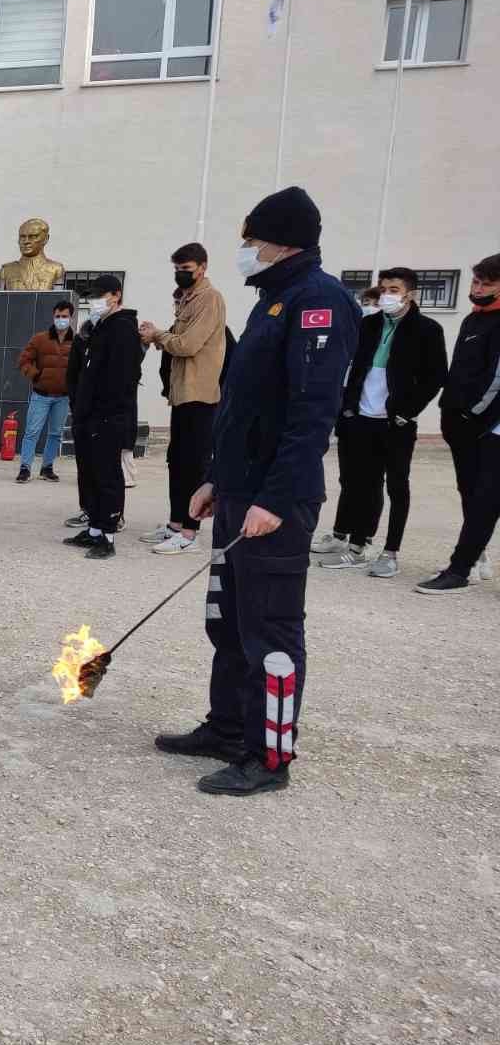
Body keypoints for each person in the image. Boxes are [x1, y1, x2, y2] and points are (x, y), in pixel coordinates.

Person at [155, 186, 357, 797]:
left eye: (251, 241)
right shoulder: (273, 300)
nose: (244, 251)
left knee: (269, 632)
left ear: (283, 240)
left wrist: (274, 497)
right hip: (240, 492)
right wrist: (218, 477)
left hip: (275, 501)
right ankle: (227, 729)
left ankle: (269, 758)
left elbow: (311, 415)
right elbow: (244, 407)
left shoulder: (318, 301)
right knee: (229, 623)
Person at [314, 268, 447, 578]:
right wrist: (346, 409)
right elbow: (354, 367)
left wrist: (407, 412)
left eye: (394, 289)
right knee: (360, 481)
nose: (387, 294)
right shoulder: (369, 324)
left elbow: (435, 376)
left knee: (397, 486)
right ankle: (356, 546)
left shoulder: (428, 329)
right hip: (360, 418)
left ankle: (390, 552)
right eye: (384, 288)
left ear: (410, 293)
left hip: (395, 422)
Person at [415, 253, 500, 595]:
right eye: (476, 282)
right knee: (472, 494)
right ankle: (475, 557)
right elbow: (461, 372)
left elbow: (496, 379)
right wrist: (451, 411)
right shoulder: (472, 320)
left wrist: (474, 417)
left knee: (485, 498)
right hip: (462, 422)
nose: (478, 289)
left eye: (487, 284)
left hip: (488, 426)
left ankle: (460, 568)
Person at [138, 243, 227, 555]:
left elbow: (188, 344)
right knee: (177, 461)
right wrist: (158, 336)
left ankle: (190, 533)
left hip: (200, 395)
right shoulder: (188, 299)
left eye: (186, 269)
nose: (180, 275)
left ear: (202, 267)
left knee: (192, 465)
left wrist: (159, 335)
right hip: (182, 394)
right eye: (176, 269)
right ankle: (176, 524)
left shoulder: (209, 299)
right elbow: (175, 340)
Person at [62, 276, 142, 560]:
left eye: (101, 294)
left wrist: (103, 411)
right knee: (90, 473)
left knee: (107, 474)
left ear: (116, 295)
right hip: (87, 414)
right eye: (92, 295)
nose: (95, 300)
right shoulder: (98, 328)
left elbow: (122, 378)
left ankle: (107, 534)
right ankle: (94, 528)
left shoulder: (122, 330)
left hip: (107, 416)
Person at [15, 301, 75, 483]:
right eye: (58, 316)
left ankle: (47, 467)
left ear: (71, 318)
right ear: (53, 317)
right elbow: (23, 361)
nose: (61, 320)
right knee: (32, 432)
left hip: (63, 398)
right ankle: (25, 468)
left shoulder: (78, 341)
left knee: (55, 434)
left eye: (64, 316)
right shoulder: (40, 339)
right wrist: (35, 375)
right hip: (41, 395)